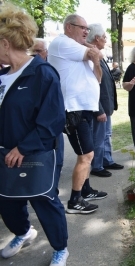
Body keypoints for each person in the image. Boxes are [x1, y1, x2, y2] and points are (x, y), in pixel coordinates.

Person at [0, 2, 69, 265]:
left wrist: (23, 148)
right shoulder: (2, 76)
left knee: (43, 199)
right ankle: (23, 232)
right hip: (5, 152)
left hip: (37, 152)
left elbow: (52, 120)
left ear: (6, 43)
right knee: (7, 199)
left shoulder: (42, 74)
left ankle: (60, 248)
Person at [48, 14, 107, 214]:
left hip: (85, 108)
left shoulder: (81, 50)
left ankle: (86, 189)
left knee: (87, 154)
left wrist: (96, 57)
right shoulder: (62, 43)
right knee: (86, 154)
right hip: (72, 109)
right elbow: (95, 53)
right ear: (68, 27)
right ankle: (74, 201)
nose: (86, 31)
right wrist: (94, 53)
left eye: (87, 29)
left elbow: (98, 77)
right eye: (81, 27)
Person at [87, 23, 124, 177]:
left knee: (107, 135)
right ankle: (97, 166)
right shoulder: (91, 57)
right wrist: (99, 110)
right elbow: (91, 87)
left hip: (105, 107)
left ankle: (107, 160)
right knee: (99, 137)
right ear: (96, 38)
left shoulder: (99, 56)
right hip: (99, 108)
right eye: (104, 37)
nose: (106, 39)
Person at [29, 38, 65, 179]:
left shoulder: (49, 71)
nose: (37, 55)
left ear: (46, 52)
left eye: (39, 51)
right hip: (32, 130)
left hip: (51, 128)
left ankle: (52, 190)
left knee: (56, 162)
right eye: (34, 51)